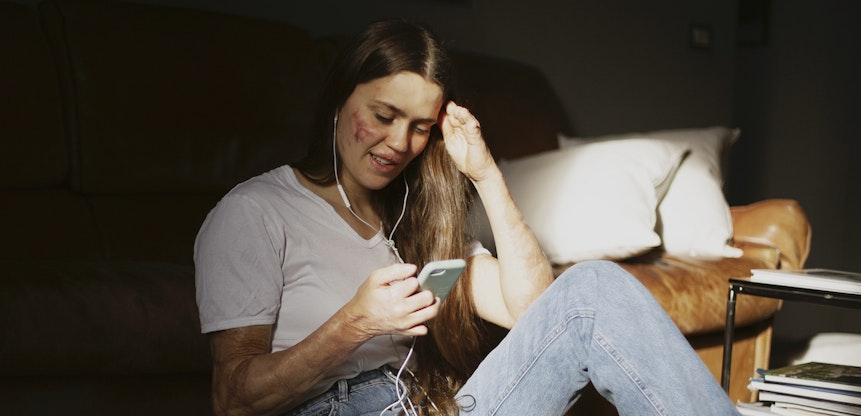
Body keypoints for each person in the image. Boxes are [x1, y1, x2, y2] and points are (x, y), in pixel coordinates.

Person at [194, 19, 739, 416]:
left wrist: (486, 176)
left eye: (420, 126)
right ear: (339, 100)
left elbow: (538, 310)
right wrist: (355, 322)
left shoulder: (418, 220)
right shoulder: (255, 212)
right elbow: (233, 397)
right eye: (383, 116)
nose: (398, 143)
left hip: (435, 408)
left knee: (592, 287)